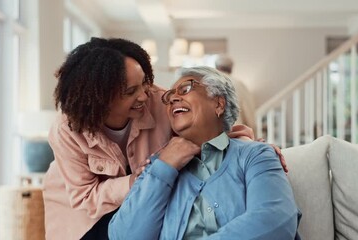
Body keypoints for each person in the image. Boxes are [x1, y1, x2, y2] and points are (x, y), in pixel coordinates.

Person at [42, 37, 261, 240]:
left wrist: (251, 149)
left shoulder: (160, 101)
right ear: (101, 99)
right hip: (83, 217)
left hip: (141, 205)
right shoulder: (67, 129)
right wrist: (135, 181)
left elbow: (206, 129)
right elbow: (85, 198)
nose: (144, 95)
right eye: (130, 91)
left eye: (145, 82)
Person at [108, 66, 301, 239]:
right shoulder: (156, 167)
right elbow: (124, 235)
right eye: (169, 97)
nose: (173, 98)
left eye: (185, 89)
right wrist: (164, 168)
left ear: (218, 104)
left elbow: (275, 218)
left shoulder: (255, 155)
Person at [215, 54, 257, 132]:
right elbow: (249, 116)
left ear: (216, 67)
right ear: (231, 69)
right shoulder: (240, 85)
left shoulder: (207, 84)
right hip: (235, 134)